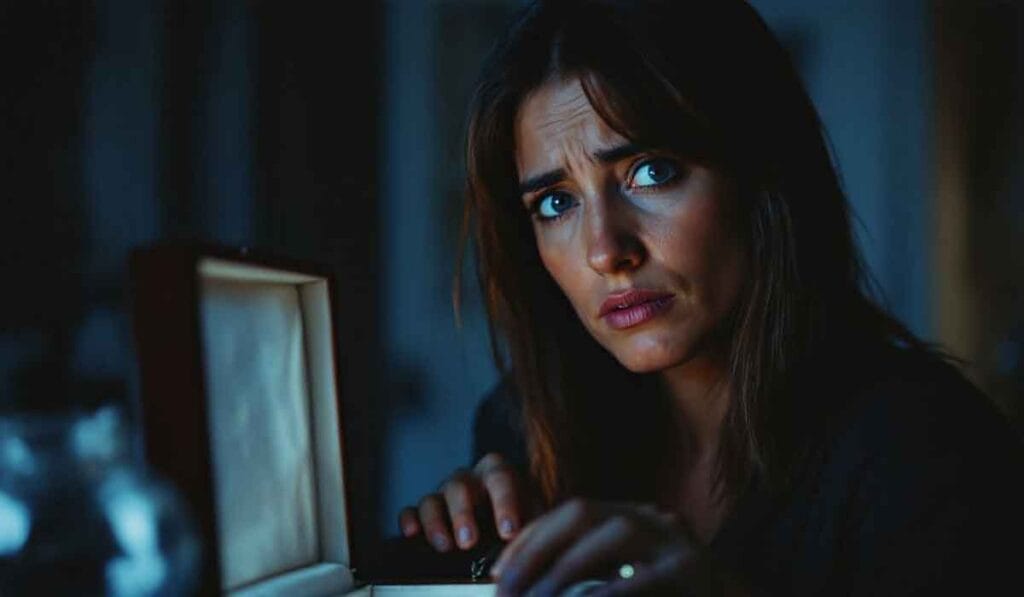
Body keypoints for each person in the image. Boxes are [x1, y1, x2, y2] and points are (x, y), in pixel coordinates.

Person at [395, 0, 1024, 594]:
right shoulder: (526, 428)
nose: (605, 250)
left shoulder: (926, 453)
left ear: (759, 176)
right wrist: (466, 560)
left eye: (651, 171)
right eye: (556, 203)